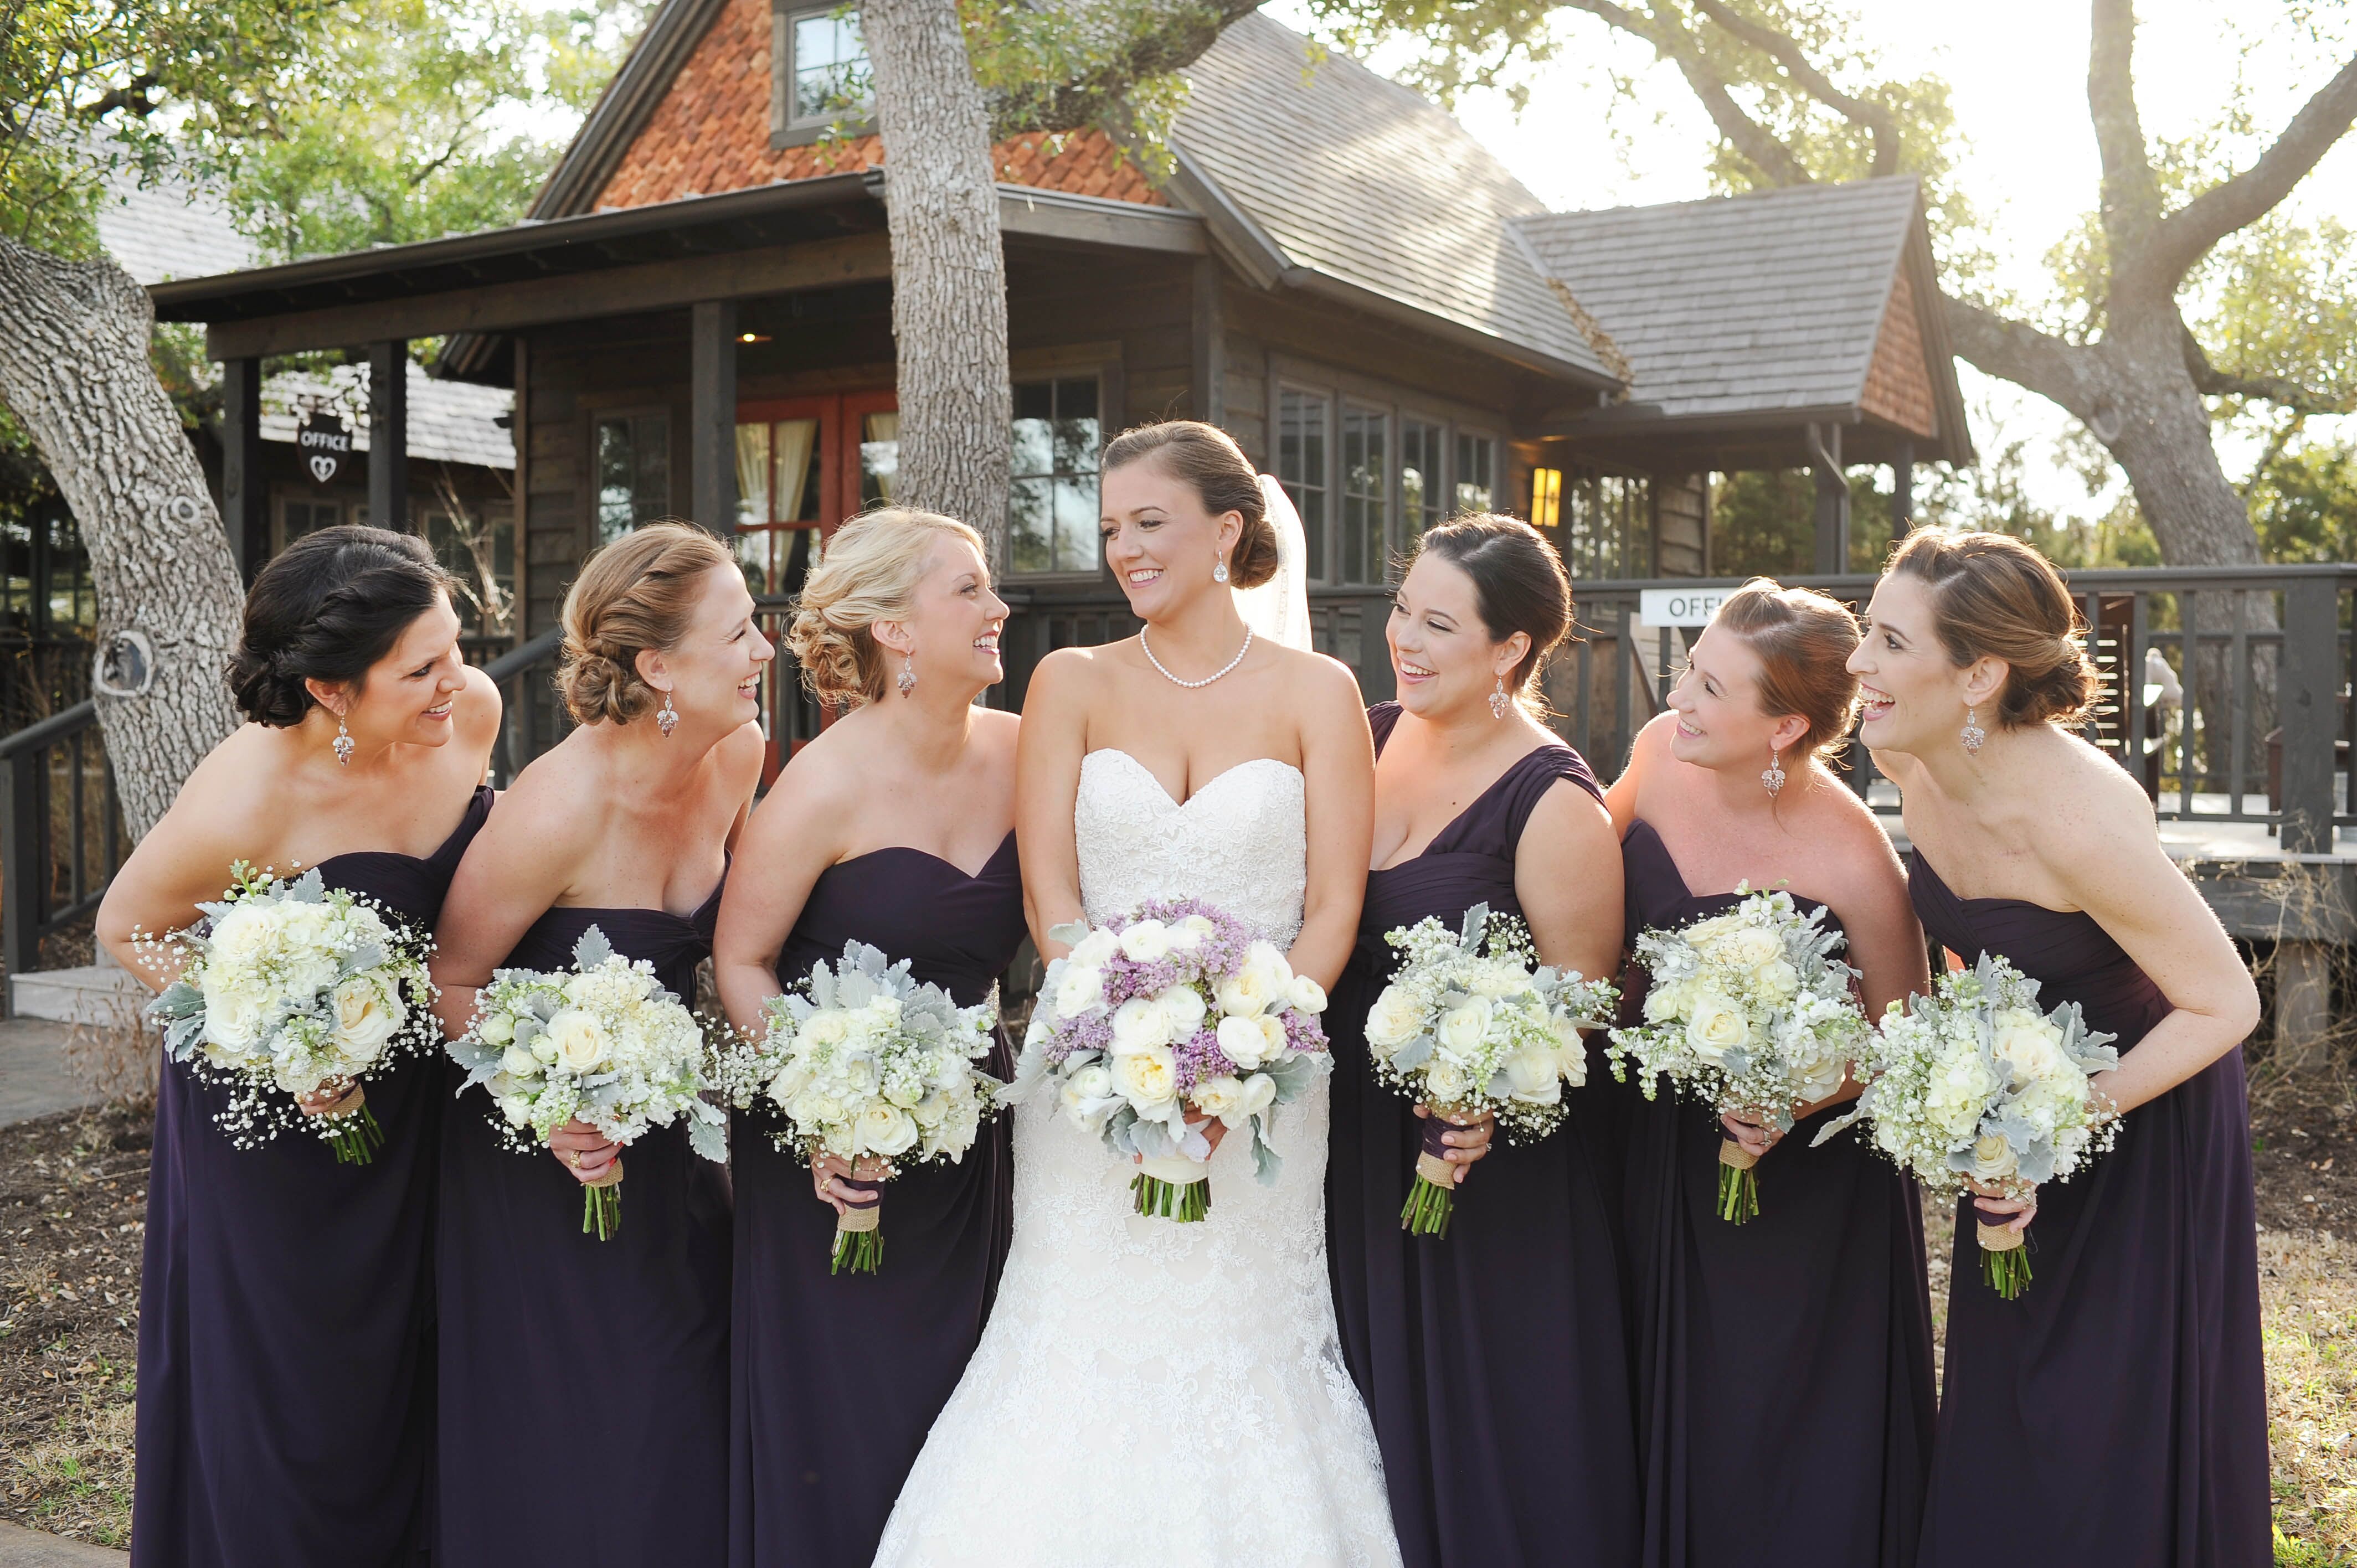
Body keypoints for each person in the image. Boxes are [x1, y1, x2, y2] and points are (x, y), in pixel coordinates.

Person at [873, 420, 1400, 1567]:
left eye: (1149, 523)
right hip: (1087, 1074)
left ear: (1227, 530)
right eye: (1110, 528)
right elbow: (1050, 897)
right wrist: (1115, 1041)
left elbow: (1330, 916)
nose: (1124, 549)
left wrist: (1244, 1062)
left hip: (1270, 1082)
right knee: (1074, 1333)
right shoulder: (1072, 682)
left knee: (1236, 1339)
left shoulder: (1320, 692)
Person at [1852, 530, 2267, 1567]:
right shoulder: (1906, 751)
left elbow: (2226, 1003)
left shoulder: (2076, 823)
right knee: (2013, 1380)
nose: (1860, 662)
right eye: (1868, 630)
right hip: (2015, 1087)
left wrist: (2051, 1123)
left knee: (2101, 1412)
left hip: (2142, 1104)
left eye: (1889, 641)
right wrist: (1970, 1082)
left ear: (1980, 675)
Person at [96, 525, 500, 1568]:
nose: (456, 679)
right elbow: (131, 927)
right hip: (276, 1137)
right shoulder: (253, 789)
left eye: (454, 646)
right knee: (300, 1396)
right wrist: (269, 1035)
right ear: (330, 690)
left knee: (420, 1375)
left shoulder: (473, 717)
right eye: (421, 668)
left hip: (417, 1114)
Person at [430, 522, 768, 1568]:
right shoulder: (557, 808)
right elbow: (450, 980)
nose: (766, 650)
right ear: (658, 666)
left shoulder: (738, 754)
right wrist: (552, 1107)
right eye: (742, 631)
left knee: (689, 1389)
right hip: (547, 1159)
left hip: (666, 1143)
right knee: (599, 1415)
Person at [711, 508, 1025, 1566]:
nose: (999, 610)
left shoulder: (1029, 753)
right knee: (852, 1419)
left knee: (973, 1412)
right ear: (894, 629)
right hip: (831, 1154)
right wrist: (824, 1117)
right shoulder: (820, 786)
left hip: (975, 1135)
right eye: (970, 590)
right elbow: (740, 962)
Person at [1324, 514, 1635, 1568]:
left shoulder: (1551, 800)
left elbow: (1585, 999)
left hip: (1477, 1164)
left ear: (1510, 649)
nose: (1403, 639)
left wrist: (1482, 1094)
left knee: (1480, 1424)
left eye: (1439, 624)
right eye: (1403, 610)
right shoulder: (1359, 735)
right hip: (1347, 1142)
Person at [1604, 579, 1935, 1568]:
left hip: (1800, 1188)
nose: (1680, 701)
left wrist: (1797, 1095)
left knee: (1768, 1425)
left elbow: (1902, 1040)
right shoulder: (1659, 756)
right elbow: (1582, 871)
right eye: (1687, 671)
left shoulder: (1855, 858)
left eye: (1711, 688)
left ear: (1786, 725)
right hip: (1651, 1145)